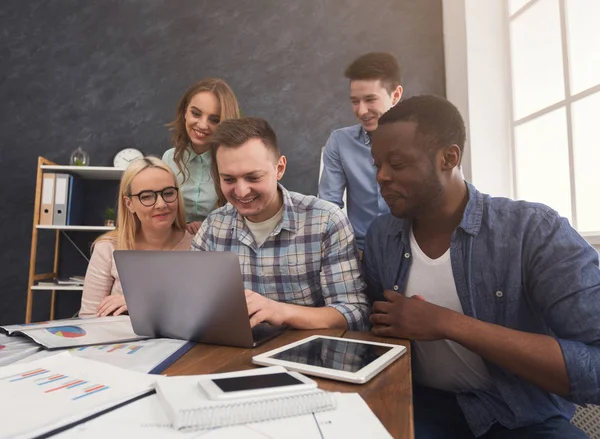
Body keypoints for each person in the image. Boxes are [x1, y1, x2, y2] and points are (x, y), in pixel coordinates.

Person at [364, 95, 599, 438]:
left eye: (397, 164)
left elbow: (594, 369)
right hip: (418, 406)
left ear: (449, 157)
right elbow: (375, 332)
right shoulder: (381, 236)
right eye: (377, 165)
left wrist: (446, 323)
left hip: (516, 414)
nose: (382, 176)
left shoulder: (532, 231)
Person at [192, 117, 369, 331]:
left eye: (253, 177)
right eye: (229, 180)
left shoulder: (326, 221)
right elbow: (193, 303)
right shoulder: (213, 227)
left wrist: (280, 311)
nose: (241, 191)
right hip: (234, 355)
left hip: (307, 358)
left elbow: (353, 313)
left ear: (280, 168)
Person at [79, 157, 193, 317]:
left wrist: (139, 303)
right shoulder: (108, 248)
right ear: (129, 204)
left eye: (168, 193)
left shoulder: (197, 246)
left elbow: (199, 313)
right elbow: (89, 317)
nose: (161, 204)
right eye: (146, 196)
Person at [319, 52, 403, 251]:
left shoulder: (423, 140)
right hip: (360, 252)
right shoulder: (340, 142)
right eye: (355, 101)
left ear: (396, 95)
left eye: (370, 99)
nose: (361, 111)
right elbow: (328, 209)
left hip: (410, 249)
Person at [163, 78, 240, 235]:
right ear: (185, 112)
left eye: (214, 120)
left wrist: (209, 225)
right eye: (196, 114)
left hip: (221, 243)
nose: (202, 125)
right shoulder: (169, 159)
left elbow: (244, 214)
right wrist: (183, 225)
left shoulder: (235, 163)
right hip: (175, 244)